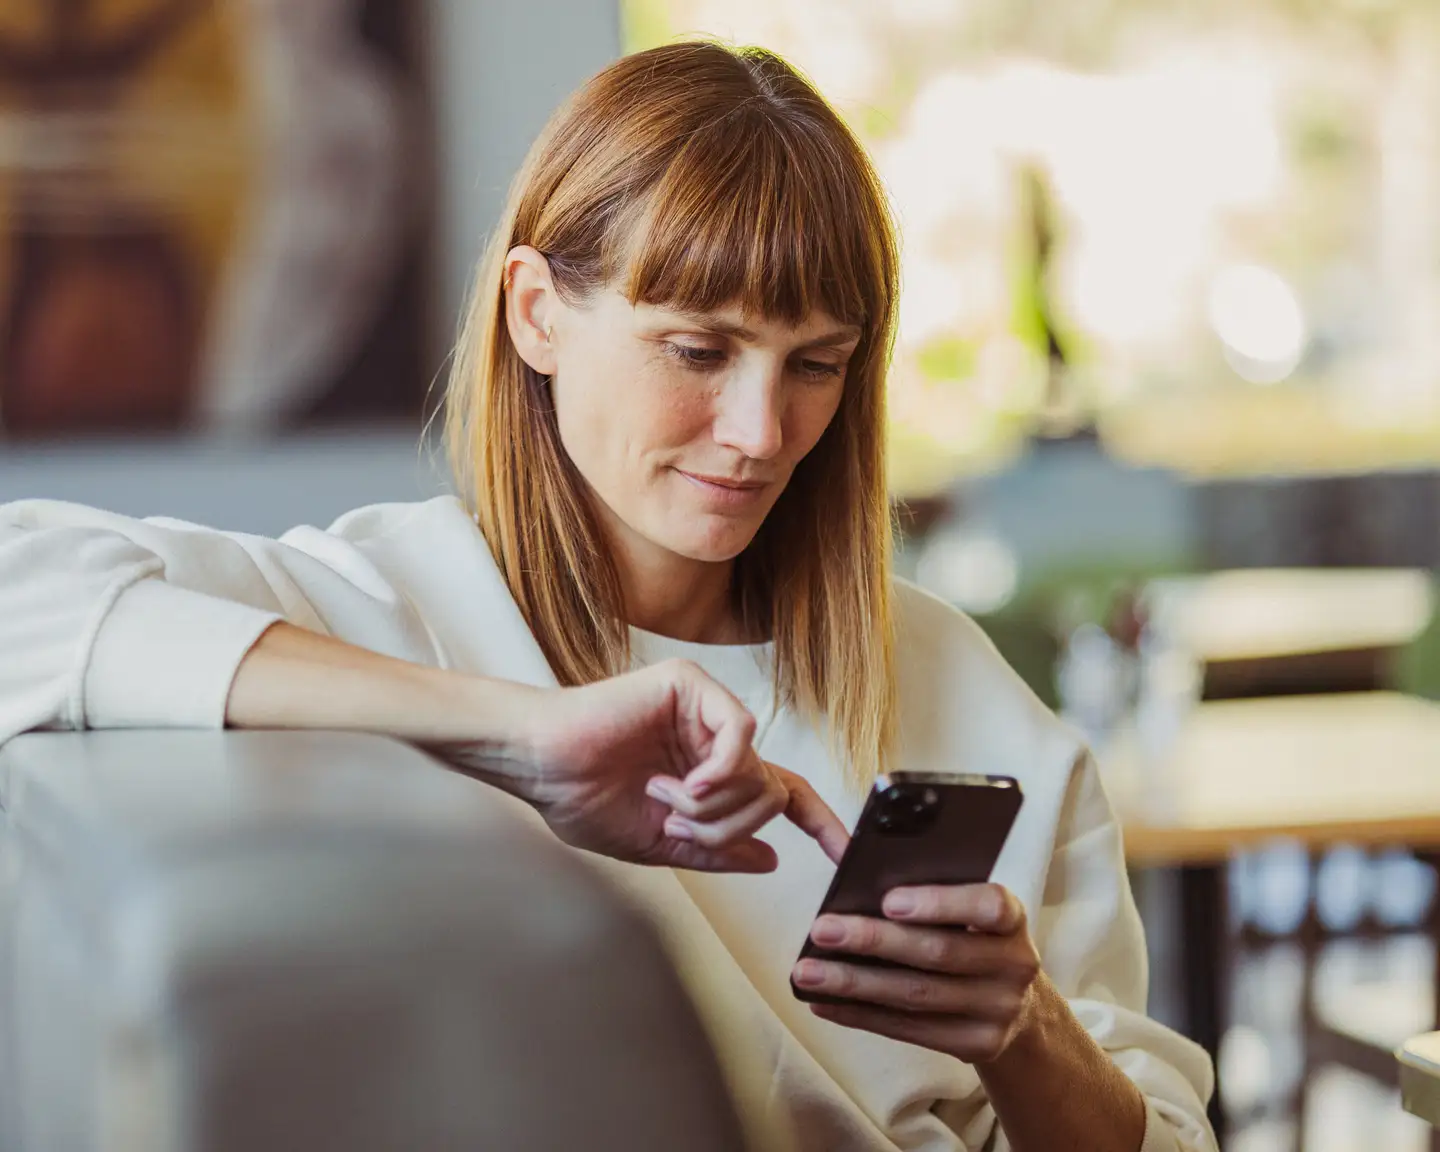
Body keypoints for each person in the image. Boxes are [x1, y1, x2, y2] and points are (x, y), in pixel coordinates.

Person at [0, 41, 1214, 1152]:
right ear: (537, 314)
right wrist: (515, 731)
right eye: (698, 351)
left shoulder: (958, 689)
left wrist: (1022, 1034)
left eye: (816, 366)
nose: (759, 433)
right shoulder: (388, 607)